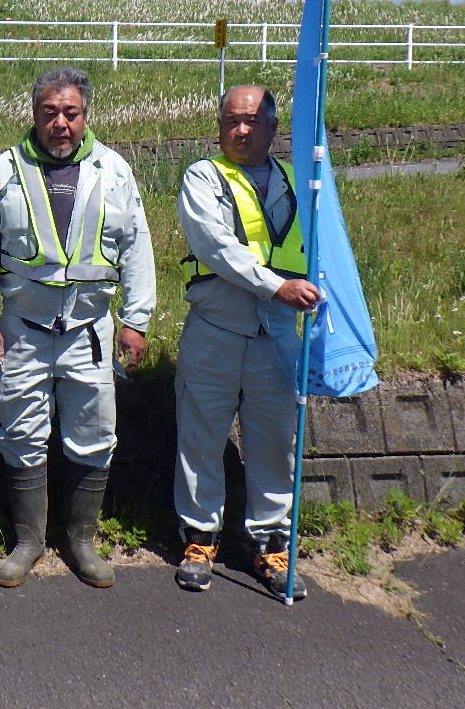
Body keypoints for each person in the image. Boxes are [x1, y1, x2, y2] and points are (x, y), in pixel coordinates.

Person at [0, 67, 155, 589]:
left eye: (70, 113)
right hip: (20, 329)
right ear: (34, 115)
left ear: (85, 116)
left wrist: (136, 321)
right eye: (50, 113)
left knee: (94, 435)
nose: (60, 124)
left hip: (89, 330)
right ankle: (29, 541)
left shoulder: (114, 171)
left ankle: (81, 540)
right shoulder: (3, 172)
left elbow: (137, 249)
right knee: (21, 433)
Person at [173, 84, 320, 600]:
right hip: (215, 332)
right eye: (232, 120)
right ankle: (199, 541)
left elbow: (325, 252)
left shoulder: (304, 183)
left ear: (272, 129)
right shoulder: (202, 176)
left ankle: (272, 546)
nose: (240, 130)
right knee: (200, 441)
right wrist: (276, 286)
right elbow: (215, 246)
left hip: (279, 337)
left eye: (252, 121)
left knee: (275, 446)